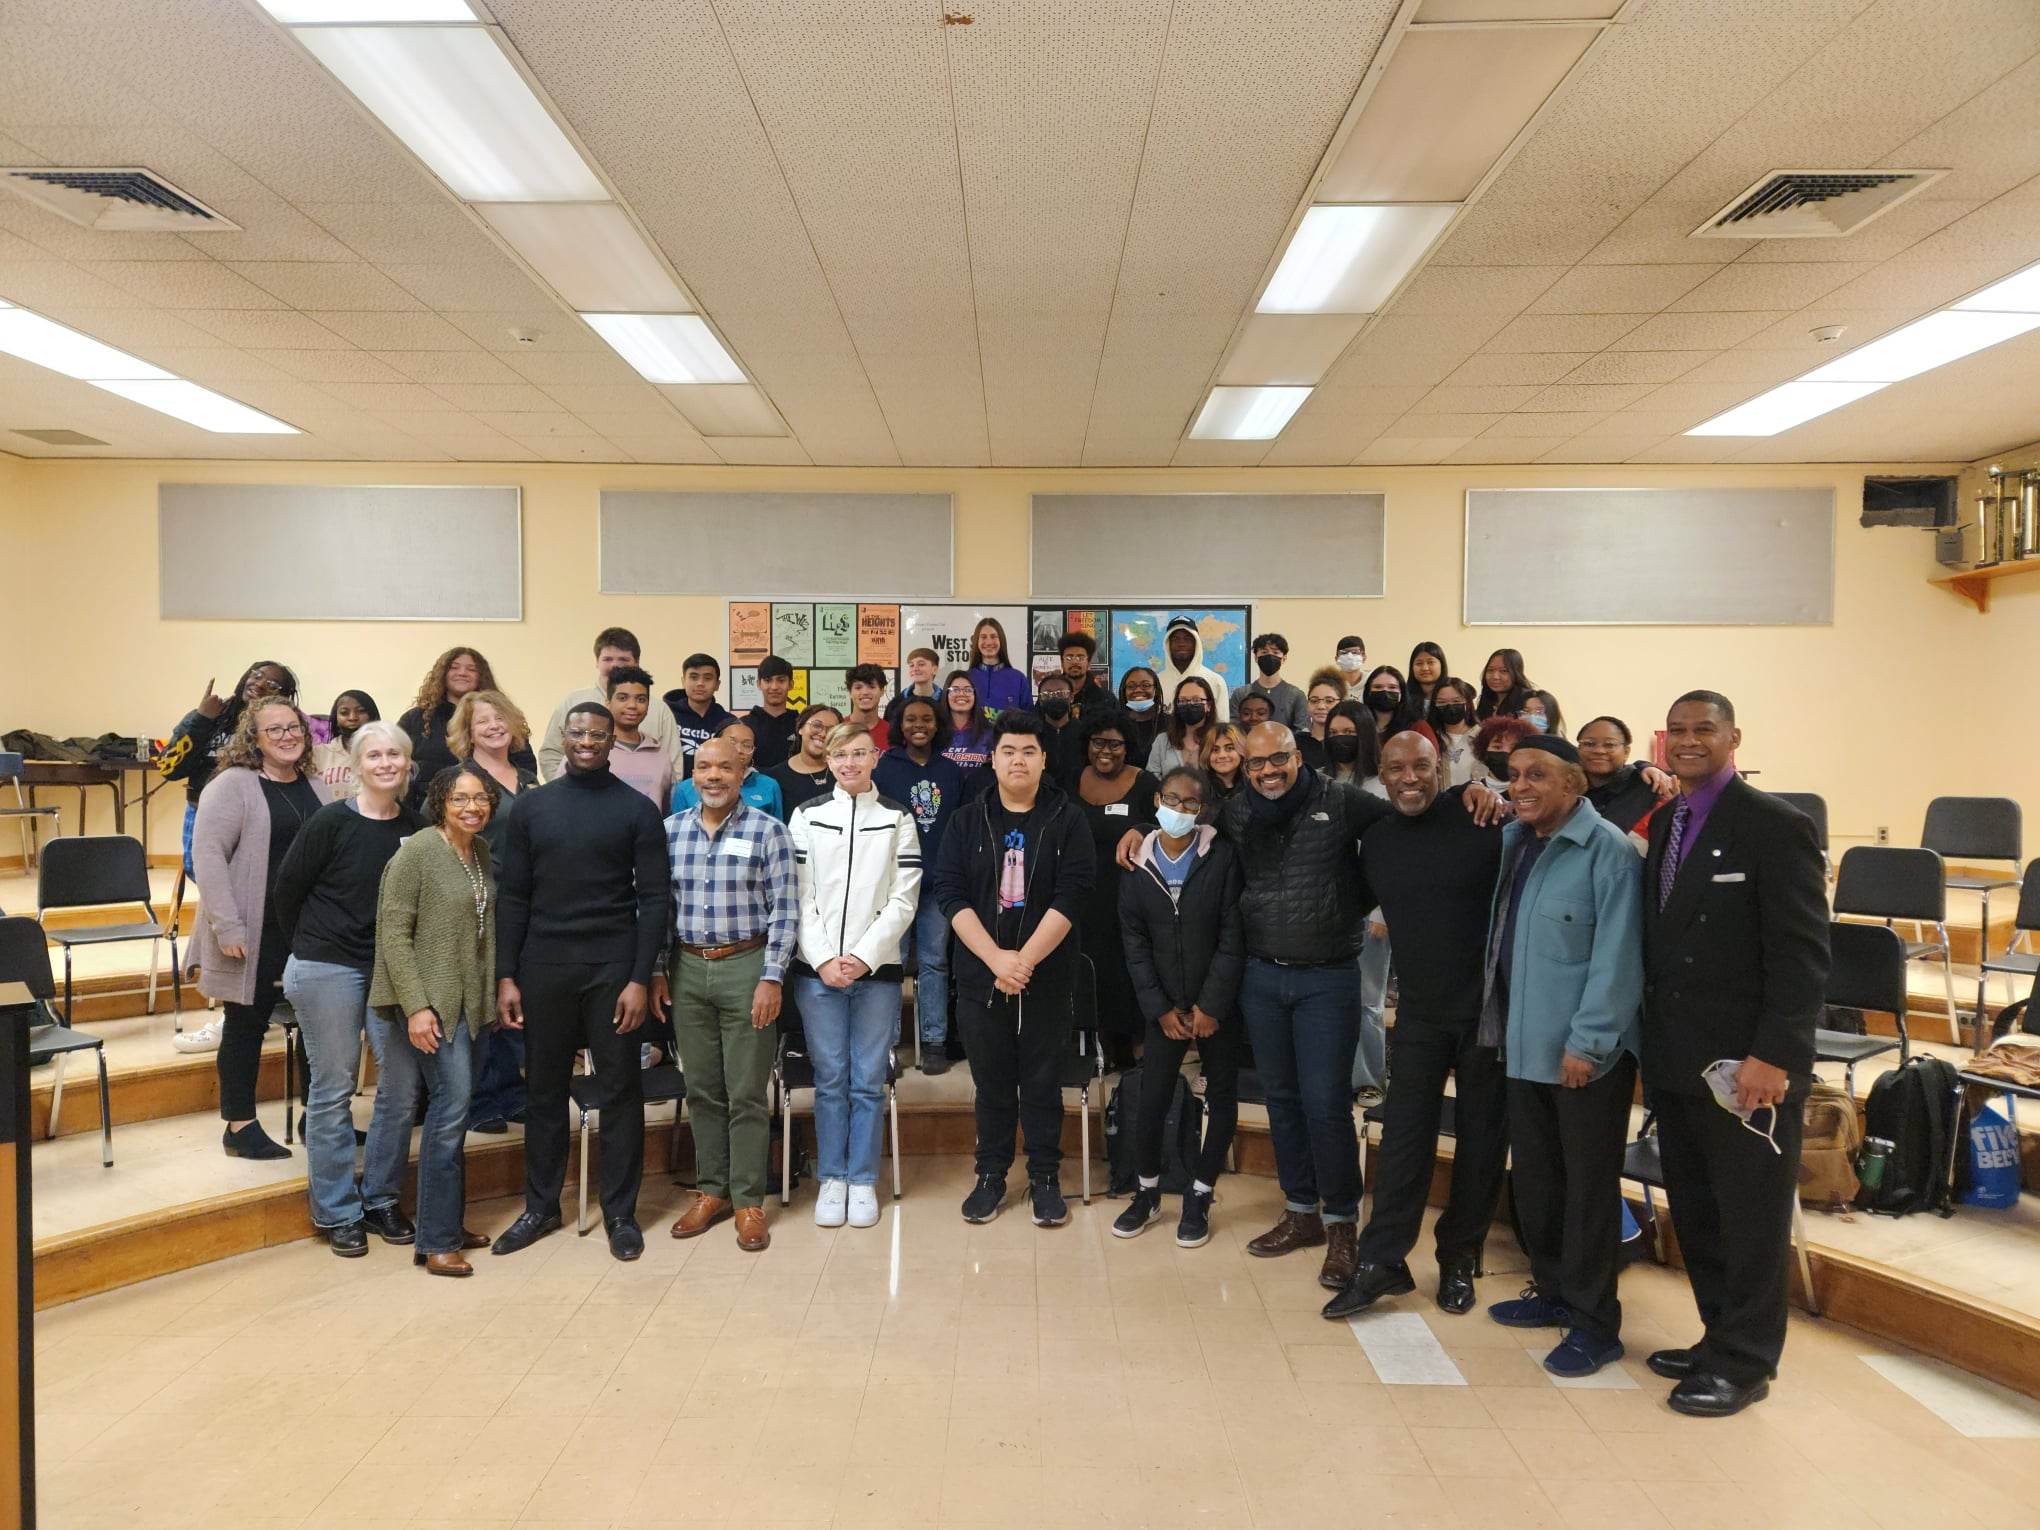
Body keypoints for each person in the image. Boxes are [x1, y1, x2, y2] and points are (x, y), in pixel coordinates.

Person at [1642, 691, 1829, 1417]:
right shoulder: (1668, 821)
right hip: (1681, 1060)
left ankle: (1747, 1363)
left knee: (1750, 1218)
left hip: (1748, 1067)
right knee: (1698, 1209)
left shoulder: (1775, 826)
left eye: (1704, 731)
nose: (1689, 742)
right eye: (1679, 732)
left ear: (1733, 738)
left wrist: (1774, 1056)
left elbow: (1803, 956)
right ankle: (1718, 1337)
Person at [1321, 732, 1507, 1321]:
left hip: (1488, 1015)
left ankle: (1459, 1256)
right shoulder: (1374, 841)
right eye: (1396, 767)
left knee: (1479, 1142)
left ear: (1441, 769)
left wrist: (1488, 793)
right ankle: (1382, 1262)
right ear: (1380, 772)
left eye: (1421, 767)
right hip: (1423, 1013)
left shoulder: (1483, 819)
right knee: (1403, 1139)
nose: (1409, 778)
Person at [1480, 735, 1642, 1379]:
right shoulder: (1517, 845)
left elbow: (1619, 960)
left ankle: (1595, 1323)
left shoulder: (1608, 854)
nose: (1519, 786)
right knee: (1540, 1182)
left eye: (1536, 776)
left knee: (1587, 1193)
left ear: (1573, 784)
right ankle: (1552, 1291)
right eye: (1513, 775)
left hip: (1582, 1058)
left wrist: (1590, 1043)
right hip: (1524, 1047)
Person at [491, 701, 668, 1264]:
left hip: (613, 971)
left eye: (599, 733)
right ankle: (541, 1207)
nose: (588, 741)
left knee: (620, 1091)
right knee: (543, 1092)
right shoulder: (531, 808)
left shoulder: (636, 810)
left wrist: (640, 977)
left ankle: (620, 1212)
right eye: (578, 732)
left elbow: (655, 899)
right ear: (563, 738)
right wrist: (505, 976)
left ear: (613, 738)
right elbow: (513, 896)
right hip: (543, 969)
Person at [934, 712, 1094, 1228]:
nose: (1018, 760)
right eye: (1008, 750)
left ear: (1044, 759)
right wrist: (996, 959)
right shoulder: (965, 819)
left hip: (1045, 975)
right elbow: (951, 895)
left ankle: (1046, 1178)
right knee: (993, 1082)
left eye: (1029, 751)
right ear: (993, 758)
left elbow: (1073, 896)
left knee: (1043, 1081)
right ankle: (991, 1176)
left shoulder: (1068, 819)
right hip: (983, 977)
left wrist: (1022, 961)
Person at [272, 721, 425, 1256]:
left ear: (408, 765)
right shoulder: (329, 823)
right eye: (375, 755)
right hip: (326, 965)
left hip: (390, 969)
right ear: (357, 766)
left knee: (402, 1085)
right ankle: (337, 1210)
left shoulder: (416, 827)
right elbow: (287, 891)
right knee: (333, 1087)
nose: (386, 763)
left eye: (395, 755)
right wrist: (309, 949)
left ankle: (381, 1197)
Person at [658, 737, 799, 1253]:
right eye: (704, 767)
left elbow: (785, 910)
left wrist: (772, 977)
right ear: (692, 775)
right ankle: (711, 1191)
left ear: (745, 772)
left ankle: (748, 1200)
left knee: (745, 1091)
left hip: (747, 967)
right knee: (701, 1088)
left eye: (725, 766)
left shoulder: (770, 833)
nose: (713, 775)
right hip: (688, 969)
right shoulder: (669, 832)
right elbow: (658, 911)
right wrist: (657, 972)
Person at [368, 764, 500, 1276]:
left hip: (472, 1006)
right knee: (448, 1113)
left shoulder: (481, 851)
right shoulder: (417, 852)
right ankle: (438, 1240)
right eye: (461, 799)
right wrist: (417, 1007)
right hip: (431, 1005)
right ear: (440, 801)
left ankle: (442, 1224)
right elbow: (394, 936)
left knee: (457, 1114)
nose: (473, 807)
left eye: (481, 798)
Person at [788, 723, 920, 1228]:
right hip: (817, 972)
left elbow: (903, 899)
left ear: (875, 757)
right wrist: (823, 958)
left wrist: (863, 957)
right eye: (840, 754)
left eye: (858, 753)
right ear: (828, 759)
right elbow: (799, 894)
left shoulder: (896, 819)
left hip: (878, 971)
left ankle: (862, 1179)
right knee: (831, 1078)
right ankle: (833, 1178)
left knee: (867, 1079)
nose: (848, 763)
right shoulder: (807, 815)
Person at [189, 695, 332, 1159]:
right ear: (254, 737)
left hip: (308, 929)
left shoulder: (315, 784)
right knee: (246, 1023)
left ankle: (321, 1119)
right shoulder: (233, 785)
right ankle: (239, 1125)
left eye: (294, 728)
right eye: (275, 730)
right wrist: (228, 926)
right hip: (252, 928)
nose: (288, 737)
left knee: (318, 1025)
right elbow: (207, 857)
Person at [1113, 767, 1245, 1247]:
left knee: (1222, 1098)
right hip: (1162, 1010)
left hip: (1218, 1008)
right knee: (1151, 1100)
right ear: (1156, 802)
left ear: (1203, 810)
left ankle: (1201, 1192)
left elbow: (1233, 938)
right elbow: (1135, 944)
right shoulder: (1135, 864)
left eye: (1191, 804)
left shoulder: (1221, 858)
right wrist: (1161, 1009)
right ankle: (1147, 1192)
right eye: (1172, 800)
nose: (1180, 810)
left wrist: (1210, 1006)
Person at [449, 689, 537, 1133]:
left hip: (525, 905)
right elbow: (441, 839)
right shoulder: (459, 779)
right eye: (482, 720)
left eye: (500, 716)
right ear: (467, 731)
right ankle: (479, 1099)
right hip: (478, 903)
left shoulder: (527, 776)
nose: (493, 726)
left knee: (515, 995)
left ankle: (511, 1091)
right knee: (481, 1001)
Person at [875, 697, 965, 1074]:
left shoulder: (951, 771)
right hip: (894, 884)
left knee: (935, 962)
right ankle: (890, 1046)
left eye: (927, 719)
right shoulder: (884, 769)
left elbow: (959, 827)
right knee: (890, 963)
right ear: (900, 724)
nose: (919, 725)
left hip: (937, 886)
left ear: (937, 724)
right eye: (911, 719)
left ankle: (933, 1042)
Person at [1072, 710, 1158, 1067]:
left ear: (1128, 747)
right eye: (1098, 742)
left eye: (1115, 744)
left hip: (1130, 897)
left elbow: (1163, 824)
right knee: (1093, 971)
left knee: (1129, 971)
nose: (1105, 751)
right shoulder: (1072, 779)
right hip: (1084, 899)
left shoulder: (1146, 782)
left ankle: (1136, 1051)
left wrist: (1140, 827)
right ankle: (1096, 1047)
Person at [538, 627, 680, 780]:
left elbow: (673, 763)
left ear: (637, 662)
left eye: (623, 659)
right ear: (597, 662)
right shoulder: (573, 702)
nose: (615, 665)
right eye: (608, 659)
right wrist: (567, 790)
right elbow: (551, 753)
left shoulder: (659, 709)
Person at [400, 648, 530, 803]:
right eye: (454, 667)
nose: (462, 673)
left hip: (494, 806)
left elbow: (525, 763)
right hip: (427, 808)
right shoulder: (415, 719)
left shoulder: (503, 720)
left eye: (471, 669)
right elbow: (400, 765)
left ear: (481, 676)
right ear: (442, 674)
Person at [1578, 715, 1673, 852]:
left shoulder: (1647, 786)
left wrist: (1645, 766)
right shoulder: (1569, 790)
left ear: (1626, 752)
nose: (1599, 750)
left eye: (1609, 745)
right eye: (1589, 744)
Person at [673, 719, 786, 819]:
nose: (739, 750)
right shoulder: (685, 789)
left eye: (746, 745)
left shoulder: (769, 786)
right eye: (732, 742)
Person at [603, 665, 676, 809]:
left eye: (641, 699)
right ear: (608, 704)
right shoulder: (592, 750)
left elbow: (667, 810)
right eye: (623, 698)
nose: (632, 705)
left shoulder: (660, 755)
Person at [664, 652, 736, 779]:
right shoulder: (666, 714)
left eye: (707, 678)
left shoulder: (728, 722)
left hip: (714, 789)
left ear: (717, 684)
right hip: (673, 790)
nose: (700, 683)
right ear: (683, 681)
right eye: (694, 677)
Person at [772, 704, 844, 817]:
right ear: (800, 728)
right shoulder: (775, 777)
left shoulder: (844, 774)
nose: (823, 734)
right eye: (816, 725)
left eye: (831, 730)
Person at [1232, 632, 1309, 734]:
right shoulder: (1241, 694)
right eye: (1264, 652)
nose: (1270, 656)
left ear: (1284, 658)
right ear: (1255, 657)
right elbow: (1234, 730)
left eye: (1275, 653)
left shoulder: (1296, 695)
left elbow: (1301, 731)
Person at [309, 689, 378, 799]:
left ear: (372, 715)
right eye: (344, 713)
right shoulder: (317, 753)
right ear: (335, 719)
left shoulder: (385, 754)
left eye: (361, 711)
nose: (352, 717)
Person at [1158, 614, 1228, 720]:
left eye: (1187, 639)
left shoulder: (1215, 681)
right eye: (1176, 639)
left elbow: (1222, 725)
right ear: (1168, 644)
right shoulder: (1156, 682)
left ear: (1196, 644)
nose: (1181, 644)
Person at [1147, 675, 1218, 777]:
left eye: (1196, 700)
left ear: (1209, 706)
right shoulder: (1162, 741)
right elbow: (1151, 779)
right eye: (1183, 700)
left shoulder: (1219, 739)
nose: (1189, 704)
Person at [966, 617, 1032, 722]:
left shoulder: (1018, 678)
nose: (988, 642)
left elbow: (1028, 719)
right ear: (976, 642)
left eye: (993, 636)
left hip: (1009, 738)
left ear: (1001, 640)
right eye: (983, 637)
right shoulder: (966, 678)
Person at [745, 655, 801, 770]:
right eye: (768, 680)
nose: (774, 687)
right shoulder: (744, 725)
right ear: (759, 684)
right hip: (756, 786)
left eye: (781, 680)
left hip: (794, 787)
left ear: (791, 684)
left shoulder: (801, 725)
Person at [1032, 672, 1084, 789]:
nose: (1054, 698)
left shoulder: (1084, 733)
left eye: (1061, 693)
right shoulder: (1032, 735)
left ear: (1071, 697)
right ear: (1040, 700)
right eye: (1048, 694)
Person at [940, 672, 993, 784]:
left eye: (968, 690)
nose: (961, 694)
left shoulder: (990, 734)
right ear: (946, 694)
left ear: (975, 695)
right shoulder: (935, 732)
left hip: (979, 796)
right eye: (955, 690)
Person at [1426, 677, 1481, 785]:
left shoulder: (1483, 736)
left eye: (1456, 701)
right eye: (1442, 702)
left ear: (1467, 703)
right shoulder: (1429, 737)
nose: (1450, 706)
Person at [1321, 699, 1379, 786]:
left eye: (1349, 731)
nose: (1339, 739)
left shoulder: (1384, 780)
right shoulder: (1317, 779)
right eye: (1333, 732)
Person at [884, 647, 944, 731]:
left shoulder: (946, 701)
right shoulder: (896, 704)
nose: (915, 669)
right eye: (911, 665)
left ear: (934, 669)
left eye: (921, 664)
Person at [1299, 666, 1346, 770]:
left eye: (1329, 701)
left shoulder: (1347, 742)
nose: (1320, 706)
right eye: (1314, 701)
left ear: (1341, 703)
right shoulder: (1295, 741)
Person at [1058, 632, 1113, 717]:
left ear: (1089, 663)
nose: (1075, 662)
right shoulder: (1052, 694)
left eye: (1081, 657)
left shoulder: (1105, 698)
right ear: (1062, 662)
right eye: (1069, 657)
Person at [1116, 666, 1163, 765]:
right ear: (1124, 691)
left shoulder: (1170, 724)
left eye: (1145, 685)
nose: (1137, 690)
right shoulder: (1115, 725)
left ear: (1156, 689)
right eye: (1131, 686)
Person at [1471, 714, 1533, 788]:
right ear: (1483, 750)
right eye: (1497, 747)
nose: (1506, 753)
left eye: (1514, 748)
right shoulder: (1466, 793)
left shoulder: (1534, 794)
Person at [1475, 648, 1534, 721]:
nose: (1495, 677)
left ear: (1516, 673)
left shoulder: (1528, 700)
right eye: (1490, 670)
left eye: (1503, 671)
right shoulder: (1488, 699)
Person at [844, 663, 891, 751]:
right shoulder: (838, 729)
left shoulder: (893, 733)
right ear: (849, 692)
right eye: (858, 688)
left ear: (882, 691)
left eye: (871, 687)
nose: (865, 692)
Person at [1361, 665, 1413, 741]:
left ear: (1402, 693)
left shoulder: (1416, 727)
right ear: (1368, 692)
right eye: (1378, 687)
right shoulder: (1358, 726)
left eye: (1392, 687)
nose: (1385, 691)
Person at [1202, 723, 1246, 810]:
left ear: (1242, 752)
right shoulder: (1198, 787)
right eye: (1215, 750)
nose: (1222, 755)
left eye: (1229, 748)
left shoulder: (1253, 786)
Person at [1406, 642, 1450, 717]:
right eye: (1419, 663)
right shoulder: (1404, 697)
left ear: (1441, 665)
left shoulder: (1453, 694)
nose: (1425, 668)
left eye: (1430, 662)